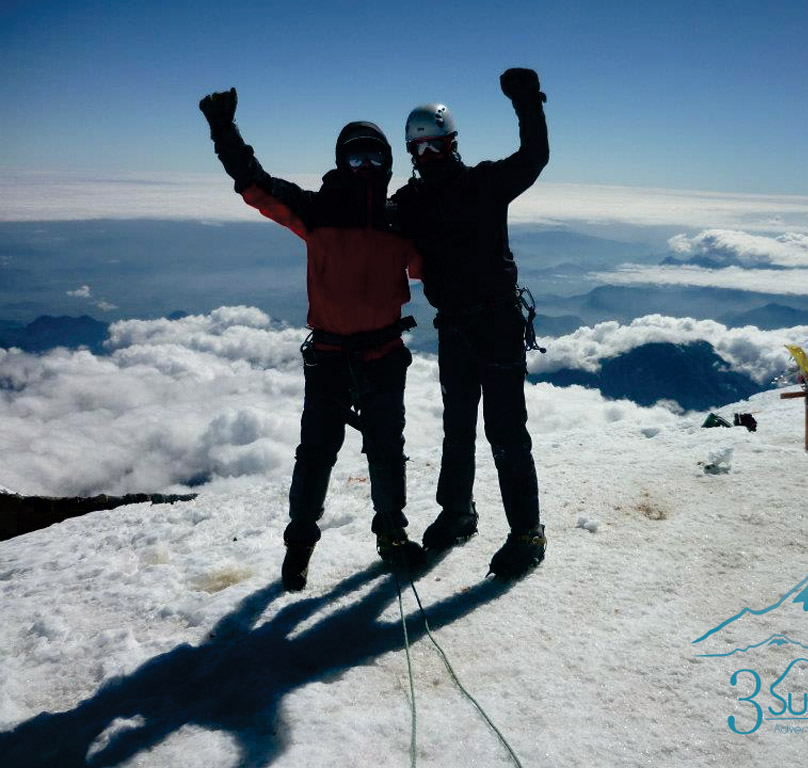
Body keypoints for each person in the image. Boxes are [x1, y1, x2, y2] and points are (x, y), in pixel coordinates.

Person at [199, 88, 425, 591]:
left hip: (382, 355)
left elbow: (430, 267)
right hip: (331, 356)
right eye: (355, 155)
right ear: (341, 162)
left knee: (386, 452)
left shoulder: (400, 219)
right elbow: (253, 185)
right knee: (317, 455)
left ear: (388, 162)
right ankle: (299, 547)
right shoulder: (317, 210)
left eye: (375, 155)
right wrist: (224, 130)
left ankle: (391, 536)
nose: (365, 164)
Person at [391, 68, 549, 578]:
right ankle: (457, 512)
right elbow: (364, 222)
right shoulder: (409, 203)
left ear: (452, 143)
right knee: (457, 429)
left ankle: (527, 532)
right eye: (421, 150)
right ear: (411, 154)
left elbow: (533, 158)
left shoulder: (482, 182)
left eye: (437, 146)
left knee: (505, 431)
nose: (429, 156)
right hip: (455, 327)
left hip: (497, 322)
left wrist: (527, 102)